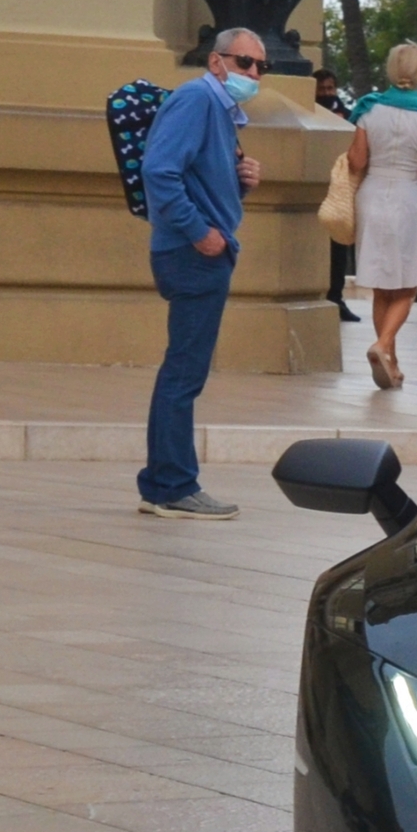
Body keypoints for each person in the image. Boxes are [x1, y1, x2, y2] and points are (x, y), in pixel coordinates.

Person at [135, 27, 264, 519]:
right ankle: (171, 485)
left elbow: (195, 177)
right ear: (216, 62)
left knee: (183, 370)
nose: (253, 74)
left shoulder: (218, 109)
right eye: (244, 63)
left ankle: (167, 482)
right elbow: (160, 171)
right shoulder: (197, 100)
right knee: (184, 372)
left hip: (199, 250)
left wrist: (239, 182)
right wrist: (200, 233)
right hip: (193, 254)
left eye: (259, 66)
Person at [346, 43, 417, 390]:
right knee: (408, 285)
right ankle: (383, 346)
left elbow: (357, 162)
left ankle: (391, 360)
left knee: (381, 288)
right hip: (408, 199)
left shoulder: (368, 110)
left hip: (371, 195)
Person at [314, 69, 362, 323]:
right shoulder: (307, 113)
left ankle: (336, 296)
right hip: (315, 189)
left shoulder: (347, 115)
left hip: (339, 192)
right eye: (321, 89)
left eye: (330, 88)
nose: (327, 93)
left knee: (339, 248)